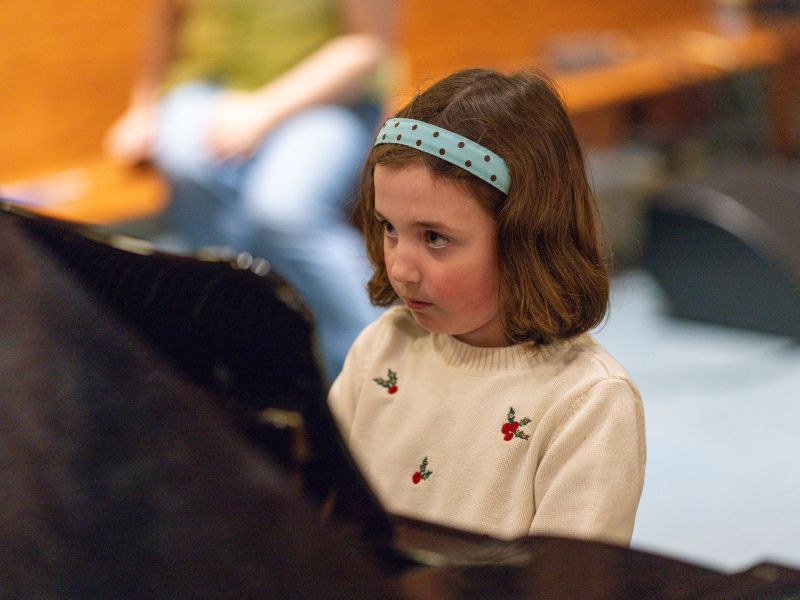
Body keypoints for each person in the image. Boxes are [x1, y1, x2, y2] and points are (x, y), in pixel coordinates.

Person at [328, 68, 646, 546]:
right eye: (389, 228)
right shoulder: (382, 345)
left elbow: (571, 583)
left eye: (435, 238)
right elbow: (317, 508)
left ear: (526, 238)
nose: (401, 268)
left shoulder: (588, 402)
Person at [105, 0, 394, 379]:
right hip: (210, 88)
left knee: (283, 211)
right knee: (189, 166)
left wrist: (264, 111)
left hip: (331, 96)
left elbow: (366, 45)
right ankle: (256, 349)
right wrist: (144, 107)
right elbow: (167, 15)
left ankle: (379, 362)